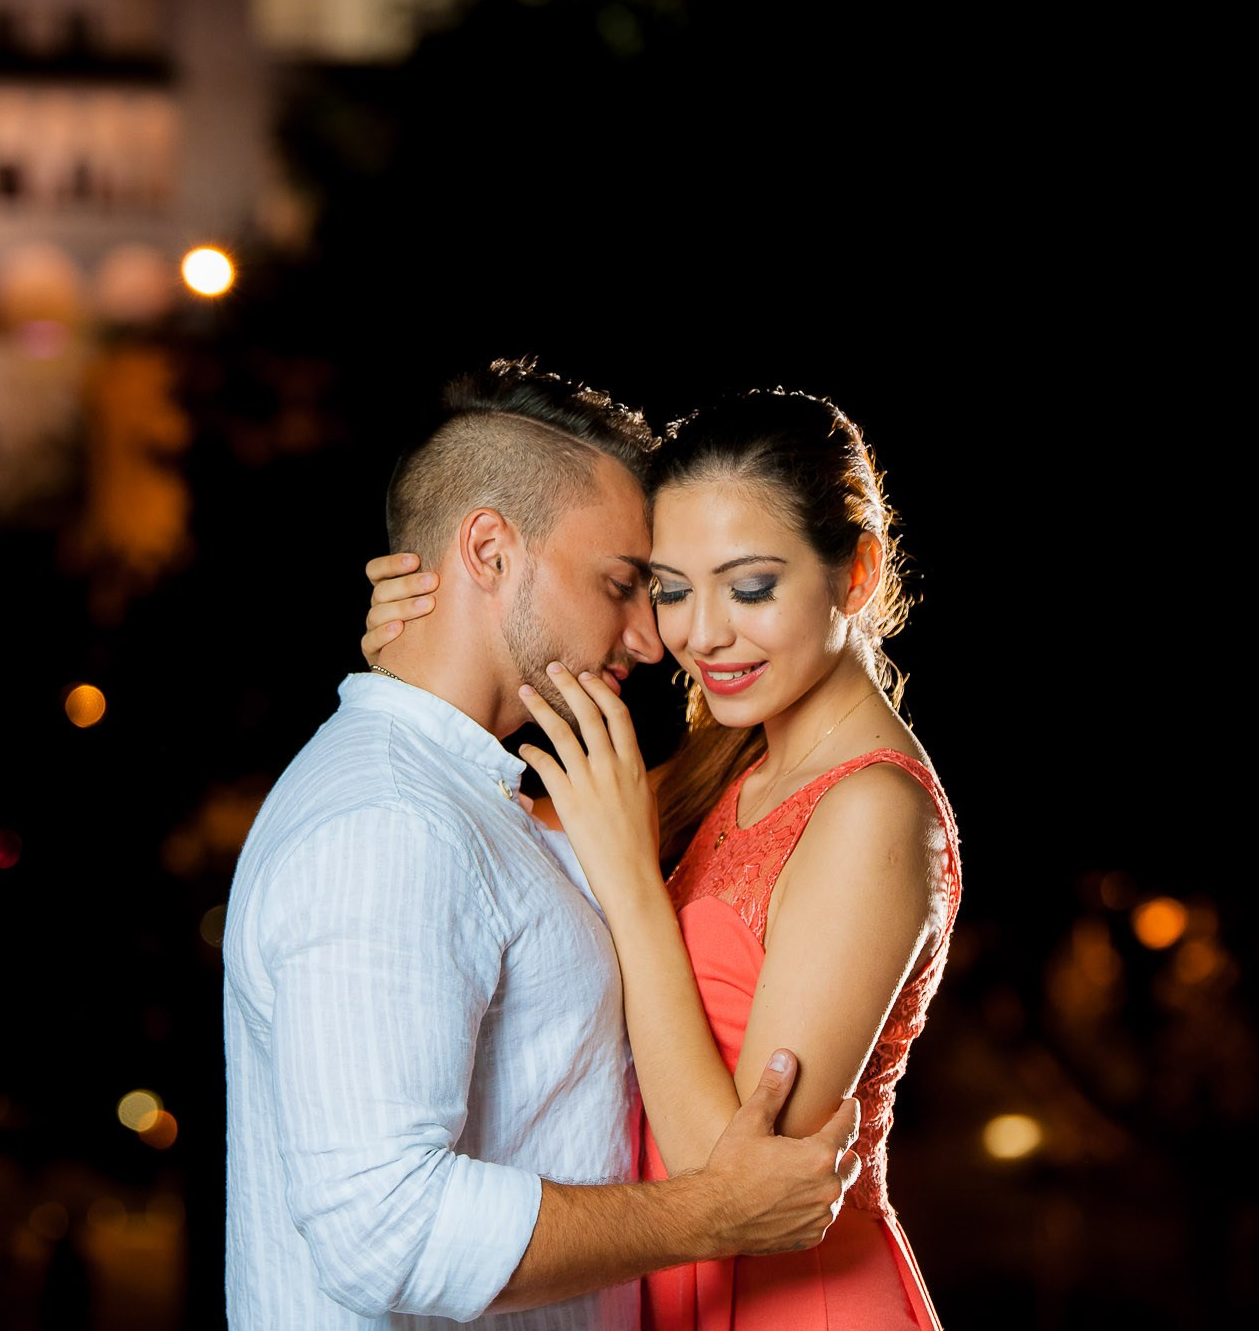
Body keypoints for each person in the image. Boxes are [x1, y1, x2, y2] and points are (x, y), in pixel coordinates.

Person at [224, 363, 862, 1331]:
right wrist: (712, 1210)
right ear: (489, 548)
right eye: (623, 583)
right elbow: (381, 1227)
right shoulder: (388, 824)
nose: (654, 639)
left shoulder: (484, 801)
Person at [364, 384, 960, 1329]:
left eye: (750, 587)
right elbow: (513, 840)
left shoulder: (873, 812)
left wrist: (635, 889)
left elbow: (730, 1184)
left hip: (797, 1305)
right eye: (673, 589)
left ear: (856, 573)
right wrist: (423, 661)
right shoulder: (733, 759)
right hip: (670, 1292)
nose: (699, 634)